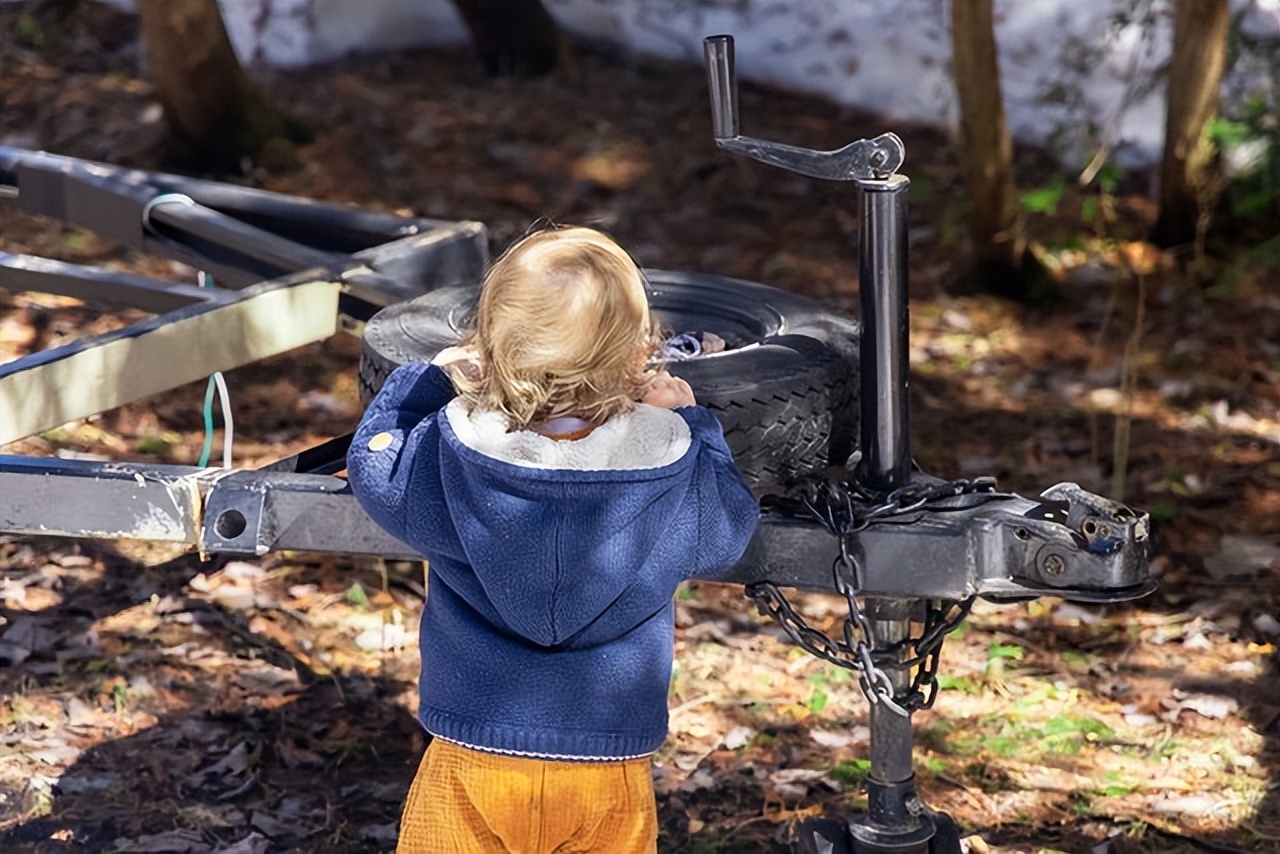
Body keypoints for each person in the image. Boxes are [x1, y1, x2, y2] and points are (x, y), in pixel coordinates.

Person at [346, 225, 760, 854]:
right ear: (635, 359)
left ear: (487, 351)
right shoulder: (668, 468)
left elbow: (375, 470)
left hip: (472, 760)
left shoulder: (451, 455)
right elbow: (730, 528)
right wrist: (693, 423)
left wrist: (421, 383)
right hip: (608, 769)